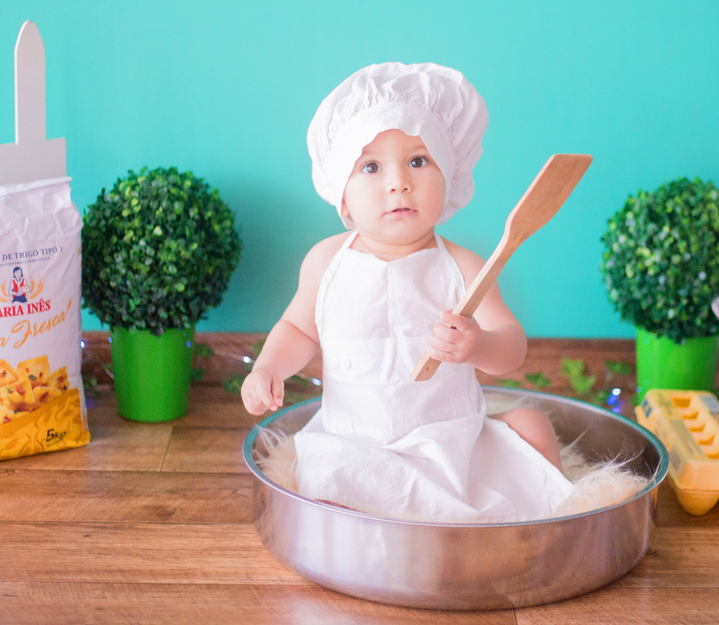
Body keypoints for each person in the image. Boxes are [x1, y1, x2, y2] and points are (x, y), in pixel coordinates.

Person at [241, 63, 574, 522]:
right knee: (327, 490)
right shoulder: (326, 262)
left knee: (532, 425)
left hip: (451, 443)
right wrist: (267, 367)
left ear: (449, 177)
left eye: (418, 161)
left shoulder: (465, 266)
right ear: (342, 196)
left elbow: (512, 347)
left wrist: (479, 344)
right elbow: (298, 329)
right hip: (356, 443)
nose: (398, 182)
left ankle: (545, 520)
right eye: (371, 167)